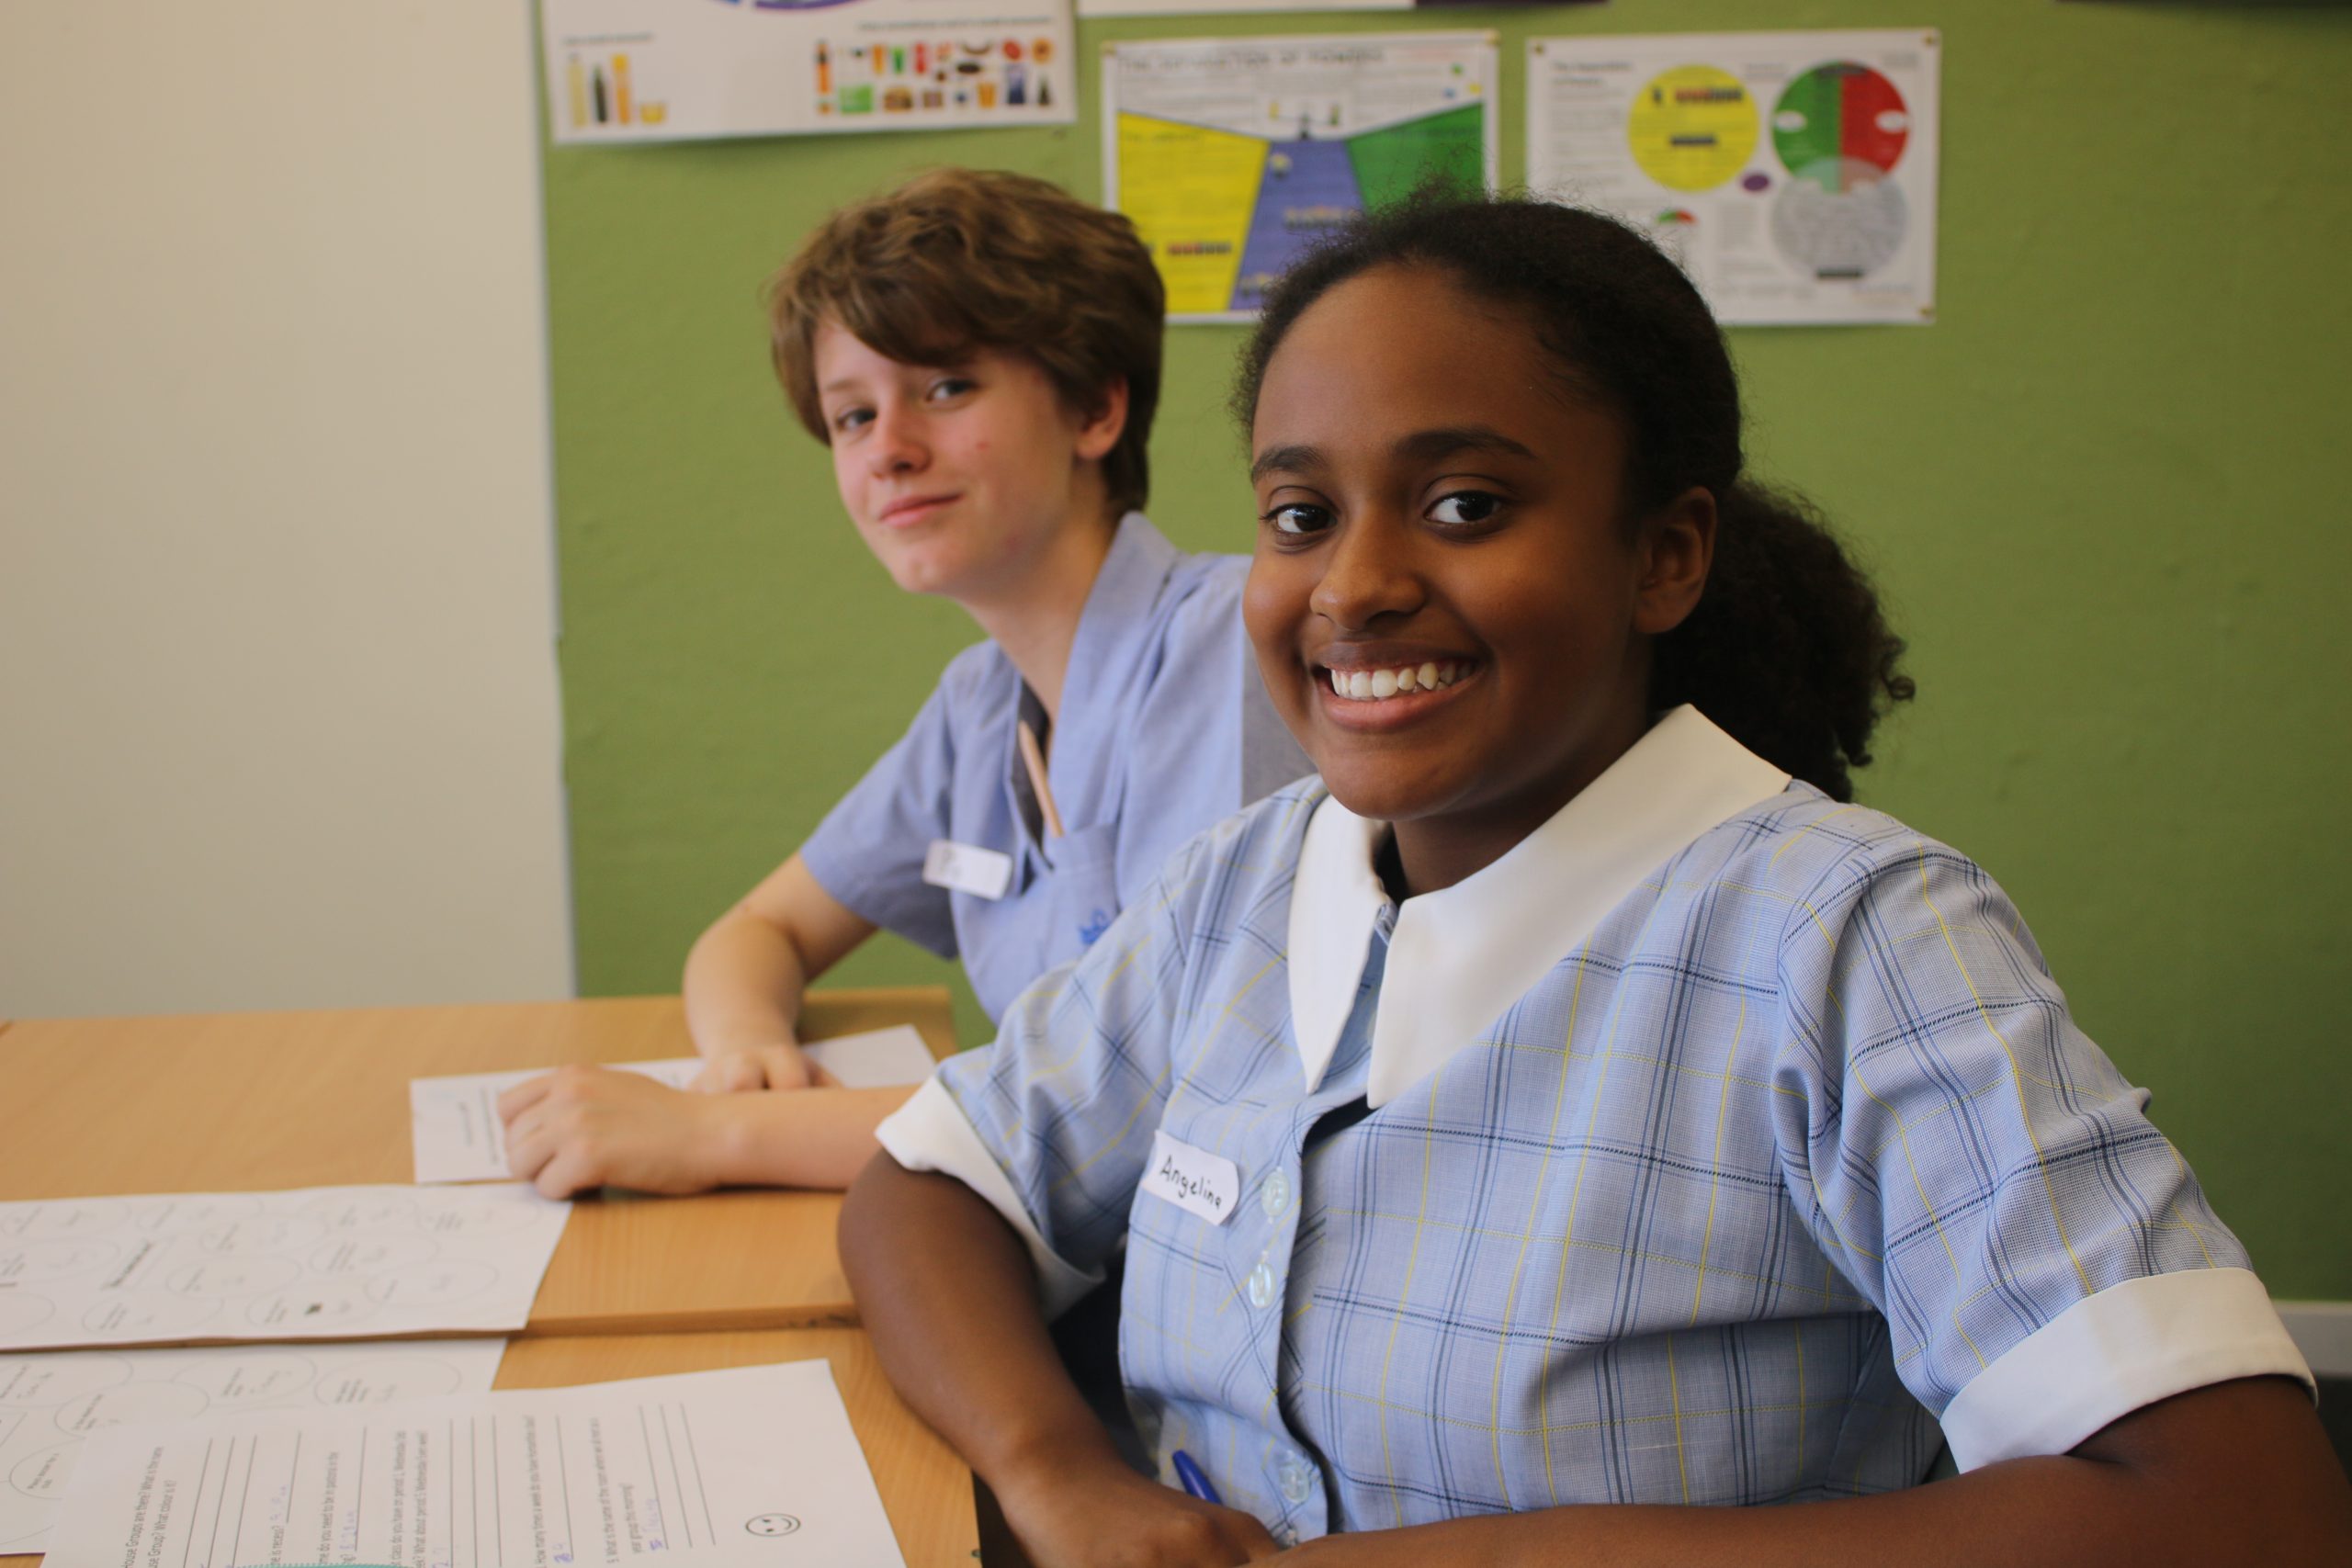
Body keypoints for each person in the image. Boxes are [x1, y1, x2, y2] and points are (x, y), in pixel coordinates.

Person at [838, 193, 2352, 1565]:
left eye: (1467, 506)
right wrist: (1057, 1473)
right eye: (1302, 515)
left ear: (1664, 556)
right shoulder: (1252, 878)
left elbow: (2238, 1503)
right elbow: (929, 1186)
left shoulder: (1844, 939)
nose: (1354, 586)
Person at [500, 168, 1304, 1198]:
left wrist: (715, 1136)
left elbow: (1154, 1110)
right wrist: (748, 1053)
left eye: (945, 388)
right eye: (850, 417)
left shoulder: (1247, 649)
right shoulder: (980, 708)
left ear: (1096, 409)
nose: (889, 451)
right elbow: (760, 931)